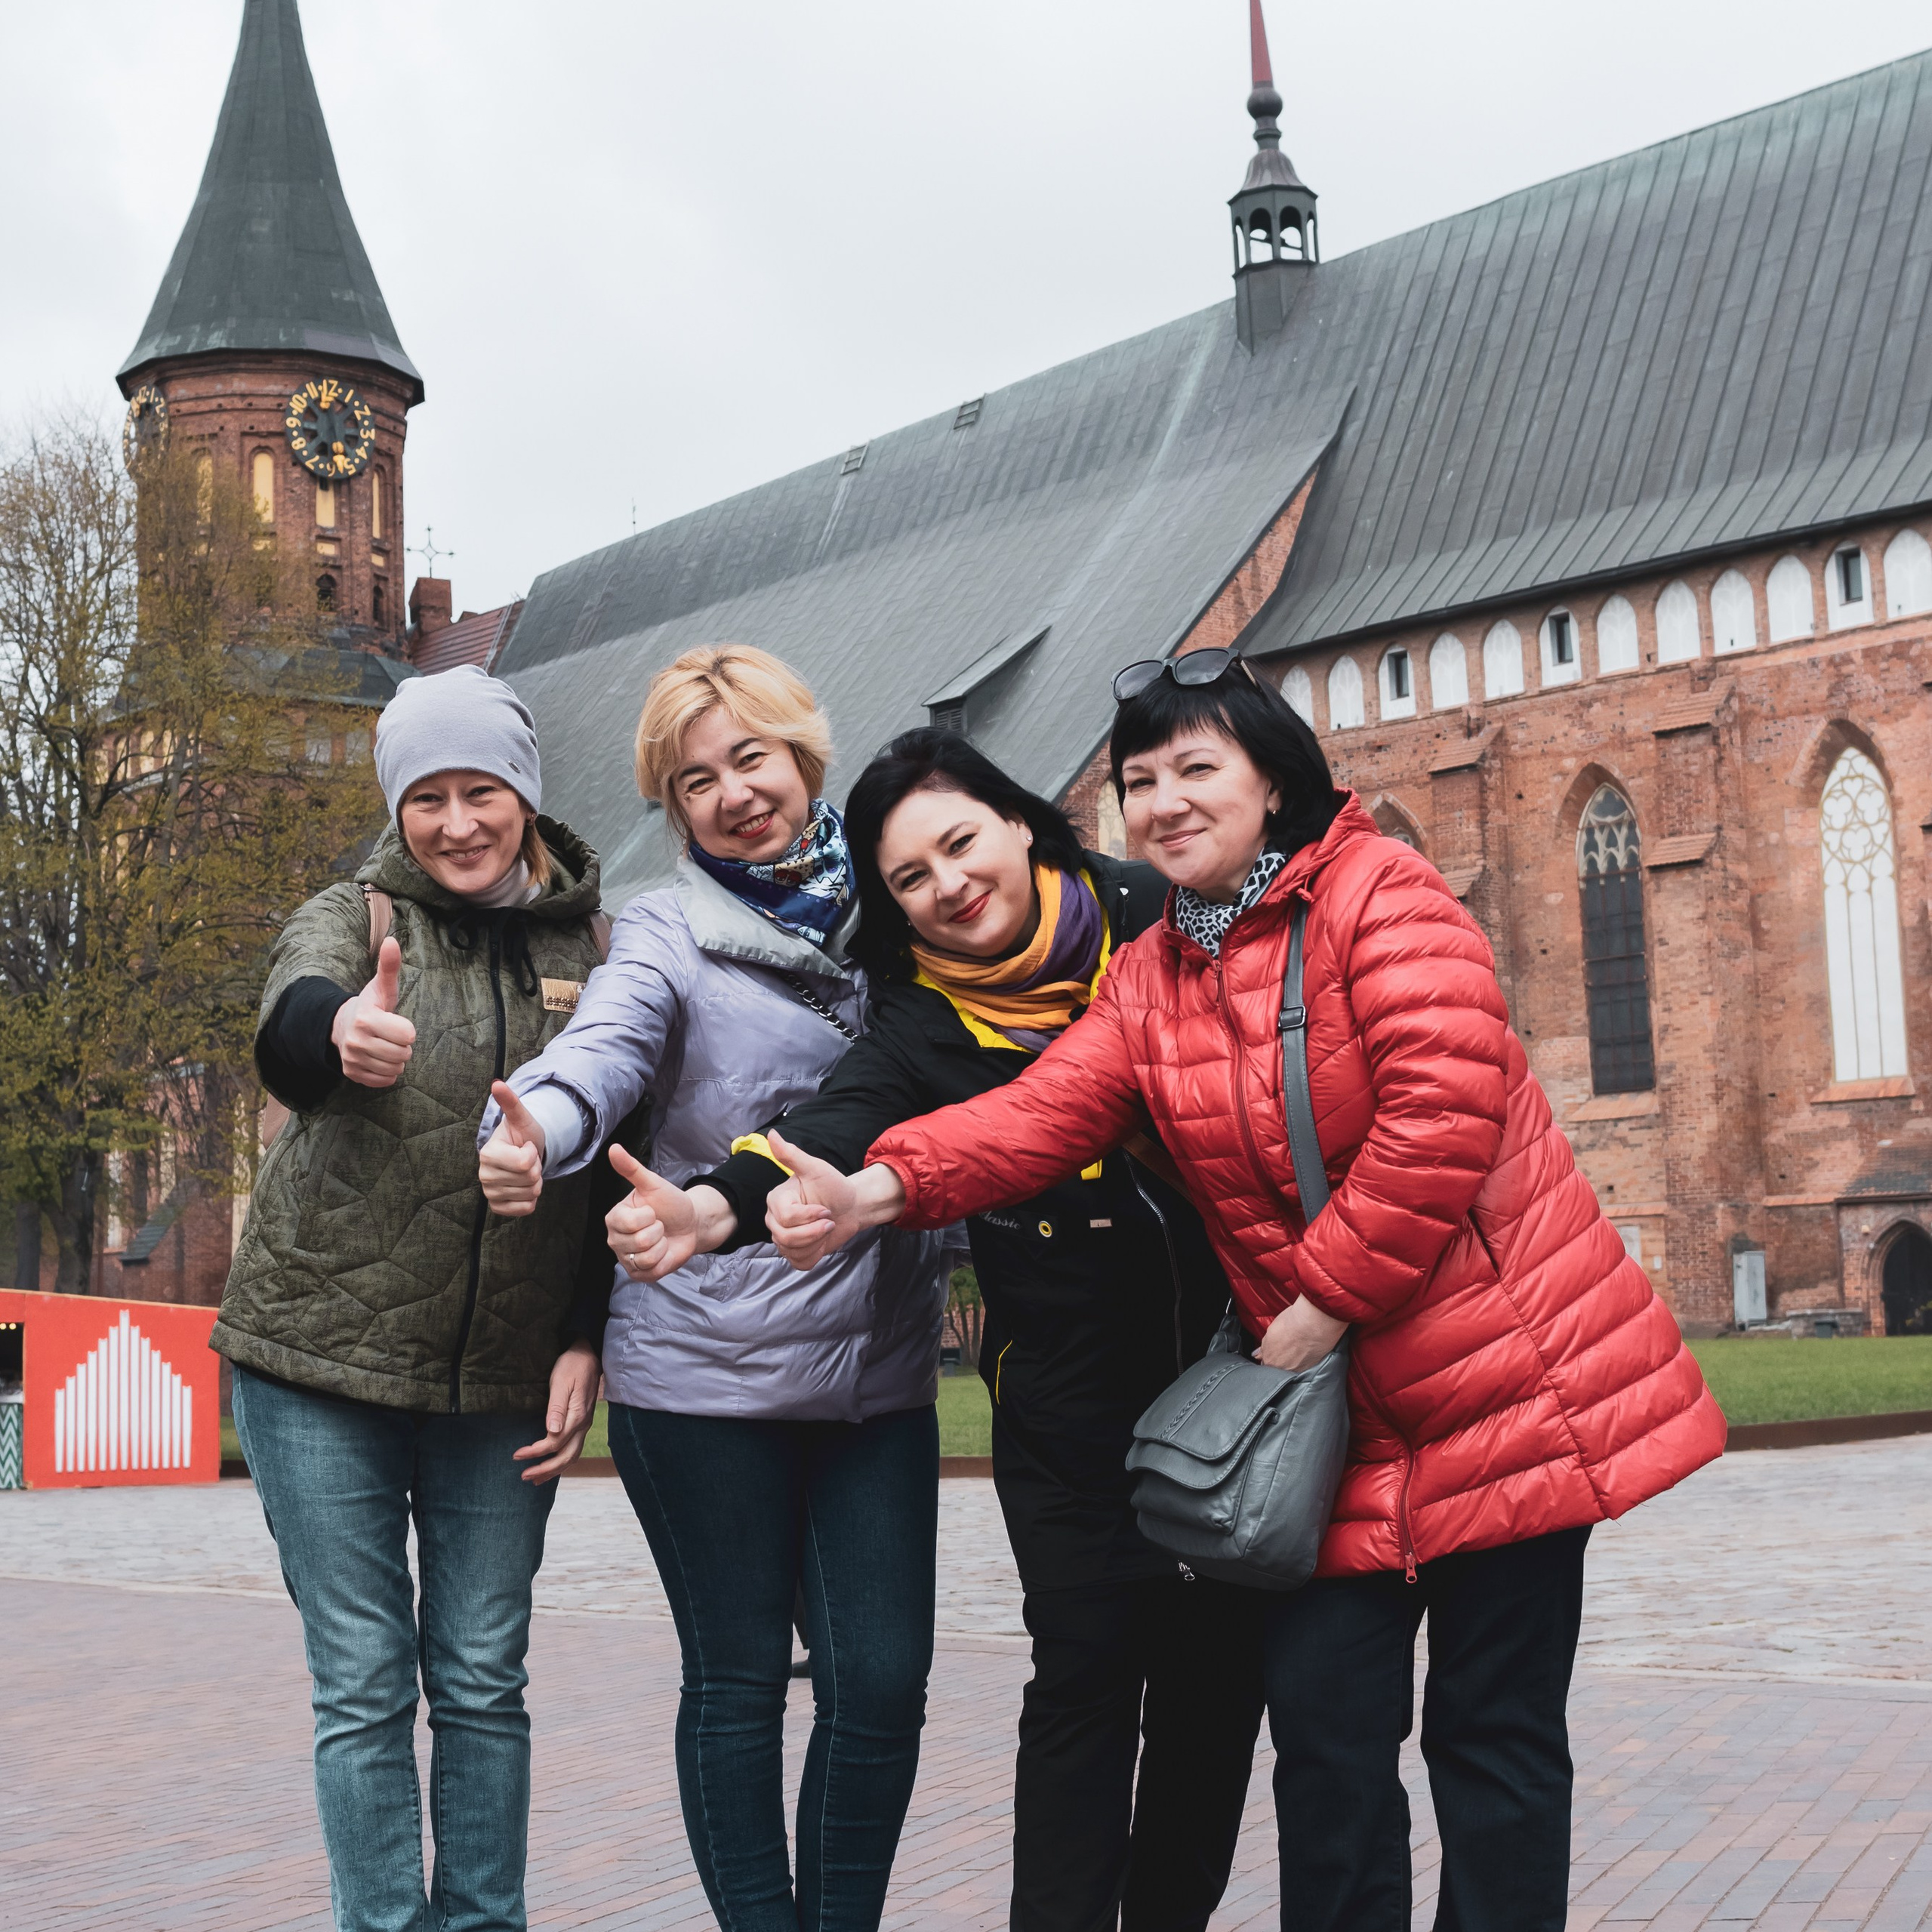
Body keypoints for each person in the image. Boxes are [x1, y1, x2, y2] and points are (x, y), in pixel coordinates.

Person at [755, 649, 1730, 1932]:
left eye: (1196, 768)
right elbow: (1036, 1115)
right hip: (1328, 1429)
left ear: (1272, 781)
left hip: (1500, 1388)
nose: (1165, 801)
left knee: (1489, 1741)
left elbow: (1445, 1117)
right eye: (1140, 780)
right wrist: (872, 1192)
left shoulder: (1384, 896)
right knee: (1328, 1741)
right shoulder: (1158, 972)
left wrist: (1321, 1298)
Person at [613, 727, 1265, 1932]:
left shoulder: (1159, 917)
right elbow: (834, 1120)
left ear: (1019, 821)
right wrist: (712, 1209)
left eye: (960, 844)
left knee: (1214, 1698)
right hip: (1068, 1399)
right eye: (910, 879)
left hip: (1234, 1373)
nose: (950, 887)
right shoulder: (918, 1019)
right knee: (1081, 1686)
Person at [475, 645, 947, 1932]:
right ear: (673, 809)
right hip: (703, 1377)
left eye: (751, 759)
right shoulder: (668, 936)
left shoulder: (904, 909)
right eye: (696, 782)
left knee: (882, 1686)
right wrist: (530, 1132)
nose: (734, 794)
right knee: (738, 1681)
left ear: (804, 755)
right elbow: (599, 1050)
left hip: (885, 1373)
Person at [215, 665, 610, 1932]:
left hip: (496, 1379)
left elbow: (622, 1148)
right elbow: (291, 1016)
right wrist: (335, 1036)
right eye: (426, 797)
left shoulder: (594, 946)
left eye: (480, 792)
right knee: (367, 1684)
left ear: (527, 798)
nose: (454, 823)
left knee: (486, 1679)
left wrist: (586, 1334)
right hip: (313, 1363)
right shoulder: (355, 909)